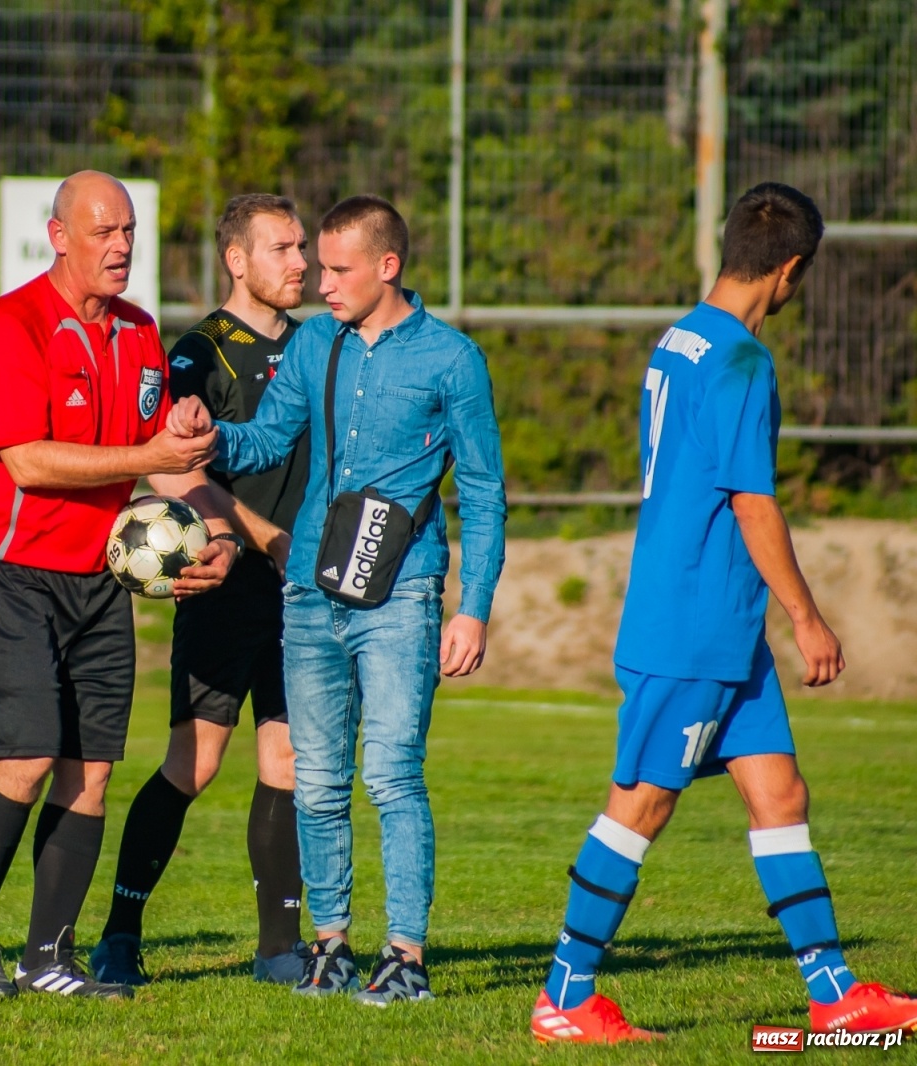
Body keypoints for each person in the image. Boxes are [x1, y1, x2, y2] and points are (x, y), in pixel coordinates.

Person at [529, 183, 917, 1043]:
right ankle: (564, 996)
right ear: (790, 271)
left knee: (779, 794)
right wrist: (808, 617)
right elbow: (751, 502)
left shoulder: (680, 339)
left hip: (722, 626)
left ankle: (834, 994)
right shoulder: (743, 358)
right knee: (640, 803)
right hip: (695, 621)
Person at [168, 195, 507, 1007]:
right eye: (318, 265)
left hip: (404, 591)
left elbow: (486, 494)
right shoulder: (316, 343)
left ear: (387, 267)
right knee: (317, 782)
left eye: (338, 268)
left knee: (391, 775)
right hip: (309, 593)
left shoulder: (452, 360)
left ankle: (406, 954)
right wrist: (209, 432)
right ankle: (331, 947)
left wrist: (474, 606)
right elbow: (268, 439)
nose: (321, 283)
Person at [0, 171, 242, 1000]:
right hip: (9, 571)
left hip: (100, 576)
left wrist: (213, 533)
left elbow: (167, 455)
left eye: (129, 231)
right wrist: (154, 459)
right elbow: (28, 461)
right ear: (59, 235)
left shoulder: (142, 333)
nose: (120, 246)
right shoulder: (13, 326)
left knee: (91, 770)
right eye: (102, 231)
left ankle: (49, 957)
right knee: (30, 754)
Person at [88, 194, 312, 988]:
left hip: (304, 594)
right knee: (196, 761)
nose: (301, 261)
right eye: (281, 248)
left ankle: (280, 947)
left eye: (303, 246)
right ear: (237, 260)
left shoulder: (321, 345)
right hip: (226, 584)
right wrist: (260, 538)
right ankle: (118, 934)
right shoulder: (196, 354)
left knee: (288, 758)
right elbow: (172, 465)